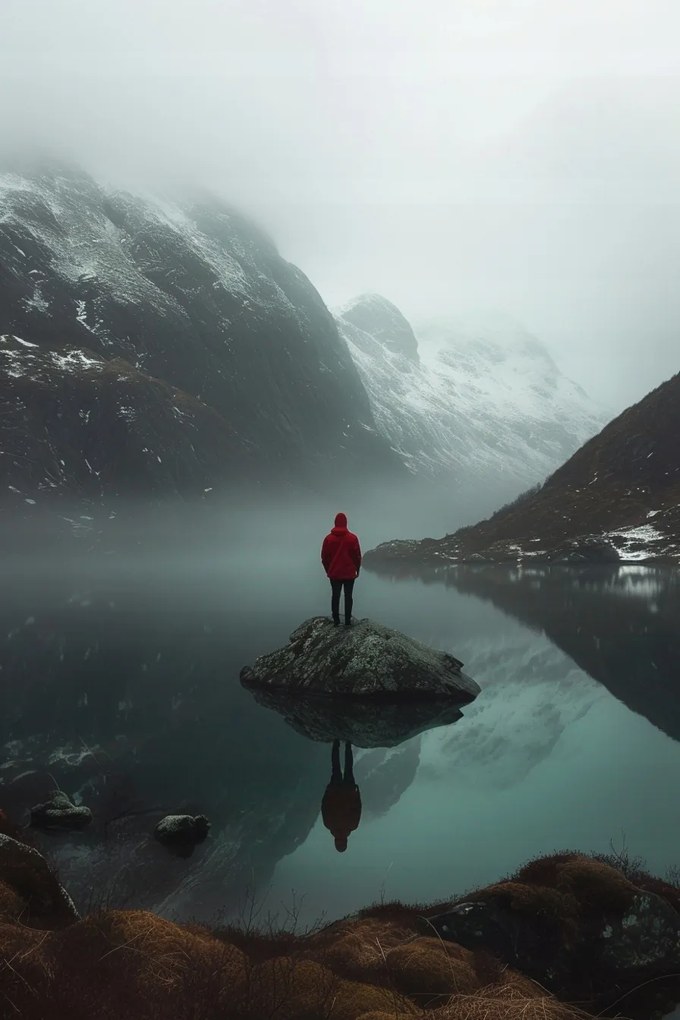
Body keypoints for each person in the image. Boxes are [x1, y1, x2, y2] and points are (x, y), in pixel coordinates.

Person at [321, 512, 362, 626]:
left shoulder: (328, 539)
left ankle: (336, 621)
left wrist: (328, 570)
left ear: (335, 522)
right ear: (346, 523)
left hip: (334, 573)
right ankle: (348, 621)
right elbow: (357, 556)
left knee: (335, 595)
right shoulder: (352, 538)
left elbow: (324, 557)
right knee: (348, 596)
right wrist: (357, 570)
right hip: (349, 573)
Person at [321, 741, 361, 853]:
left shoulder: (353, 825)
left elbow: (358, 807)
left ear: (346, 841)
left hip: (349, 791)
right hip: (334, 790)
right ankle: (336, 744)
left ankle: (348, 745)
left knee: (348, 767)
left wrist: (357, 792)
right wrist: (327, 791)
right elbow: (324, 806)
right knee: (336, 767)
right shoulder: (328, 824)